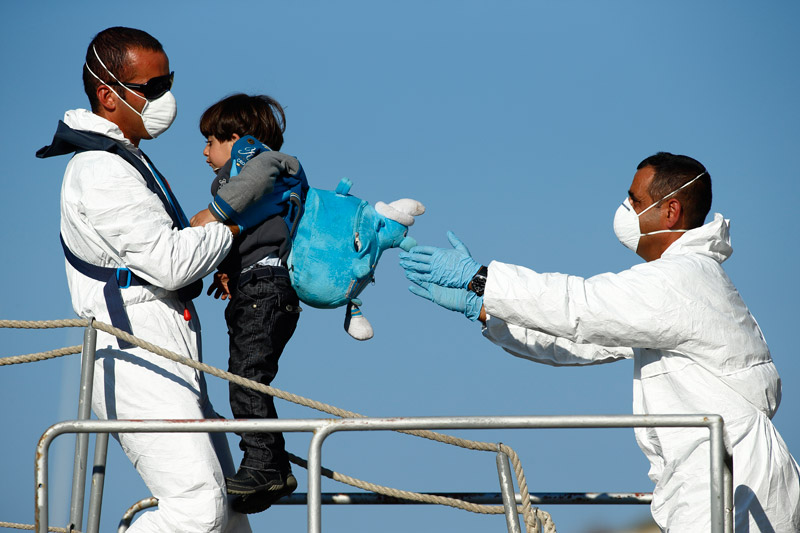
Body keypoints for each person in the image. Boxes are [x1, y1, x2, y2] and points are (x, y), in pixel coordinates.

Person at [399, 152, 800, 532]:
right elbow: (579, 341)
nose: (624, 208)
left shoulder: (681, 280)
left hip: (726, 474)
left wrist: (483, 279)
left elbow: (580, 305)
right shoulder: (676, 287)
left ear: (670, 211)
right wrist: (486, 310)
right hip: (711, 473)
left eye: (634, 198)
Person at [36, 27, 250, 533]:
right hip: (134, 355)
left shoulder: (126, 162)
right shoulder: (98, 170)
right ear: (108, 95)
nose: (166, 99)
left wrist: (211, 234)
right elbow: (170, 263)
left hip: (167, 355)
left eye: (168, 81)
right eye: (151, 88)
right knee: (200, 509)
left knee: (229, 513)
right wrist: (233, 225)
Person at [190, 94, 306, 514]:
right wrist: (225, 269)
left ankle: (262, 464)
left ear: (236, 139)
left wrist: (214, 211)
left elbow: (257, 178)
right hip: (256, 290)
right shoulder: (252, 186)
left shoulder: (258, 161)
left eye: (210, 142)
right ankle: (271, 465)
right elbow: (254, 232)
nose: (205, 153)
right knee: (246, 376)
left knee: (246, 378)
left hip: (265, 290)